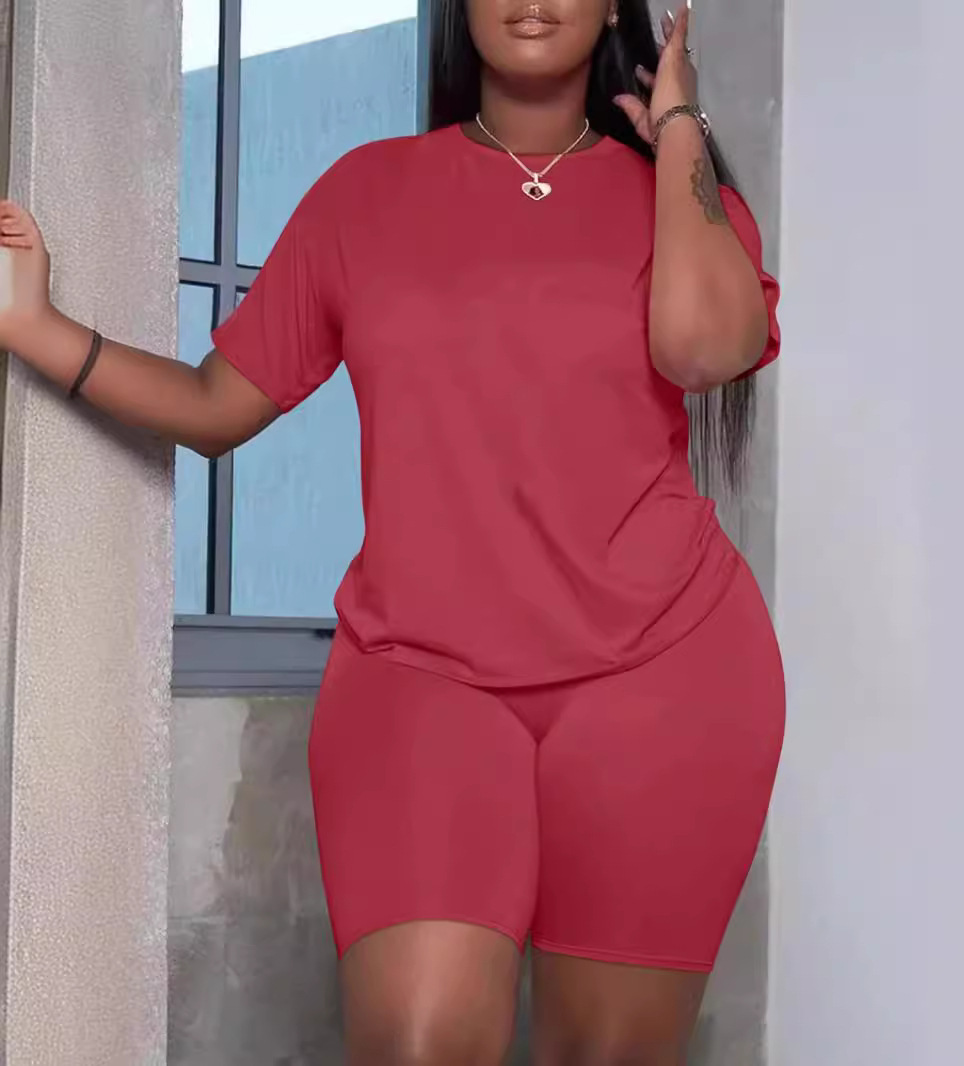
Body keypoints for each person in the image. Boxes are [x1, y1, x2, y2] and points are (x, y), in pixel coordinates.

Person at [0, 0, 784, 1061]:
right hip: (420, 675)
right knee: (417, 1044)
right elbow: (216, 405)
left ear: (614, 5)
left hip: (664, 677)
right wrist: (35, 327)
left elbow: (703, 348)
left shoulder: (682, 204)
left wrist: (679, 124)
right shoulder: (366, 194)